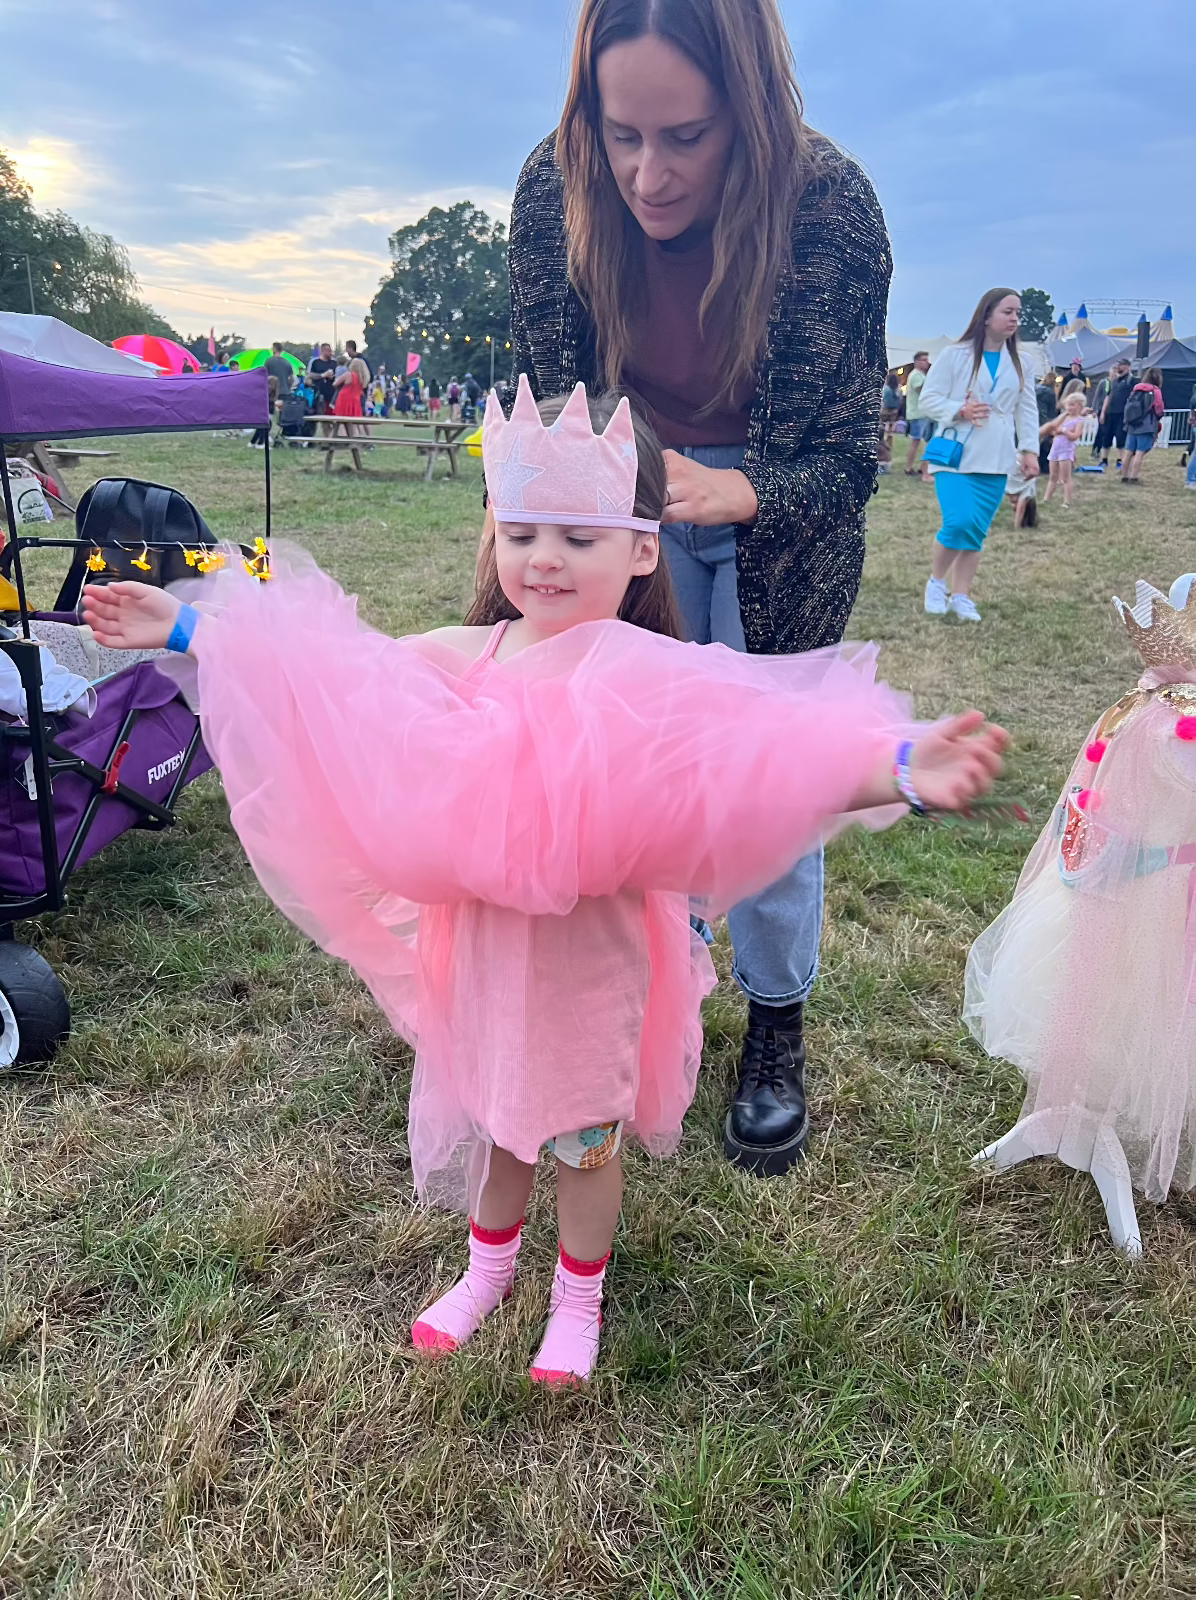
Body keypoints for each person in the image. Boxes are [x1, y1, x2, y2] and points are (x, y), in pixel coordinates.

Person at [80, 377, 1007, 1384]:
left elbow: (765, 744)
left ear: (641, 548)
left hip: (589, 964)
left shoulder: (653, 677)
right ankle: (486, 1271)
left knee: (581, 1140)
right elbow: (339, 676)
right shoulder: (464, 655)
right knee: (498, 1116)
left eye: (577, 536)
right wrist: (188, 629)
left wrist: (898, 768)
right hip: (484, 950)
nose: (545, 559)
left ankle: (578, 1295)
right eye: (521, 533)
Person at [506, 0, 893, 1176]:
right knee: (635, 766)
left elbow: (850, 453)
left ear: (753, 113)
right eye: (623, 134)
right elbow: (554, 406)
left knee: (767, 775)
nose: (648, 173)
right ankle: (648, 998)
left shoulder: (831, 209)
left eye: (686, 137)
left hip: (779, 519)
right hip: (632, 504)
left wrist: (750, 490)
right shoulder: (550, 192)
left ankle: (774, 1024)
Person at [965, 574, 1196, 1254]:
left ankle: (1084, 1117)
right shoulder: (1173, 722)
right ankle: (1072, 1118)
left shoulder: (1137, 703)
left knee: (1107, 1003)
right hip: (1142, 904)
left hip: (1112, 895)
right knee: (1122, 1006)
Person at [918, 288, 1040, 622]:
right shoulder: (955, 355)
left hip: (997, 457)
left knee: (975, 531)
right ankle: (936, 582)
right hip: (956, 455)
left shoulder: (1023, 362)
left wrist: (1029, 450)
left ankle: (961, 596)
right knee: (960, 521)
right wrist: (960, 408)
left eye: (1018, 313)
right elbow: (929, 399)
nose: (1015, 318)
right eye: (1008, 312)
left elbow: (1026, 409)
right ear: (986, 315)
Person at [1121, 366, 1165, 485]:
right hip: (1146, 424)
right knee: (1140, 452)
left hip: (1132, 424)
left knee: (1128, 451)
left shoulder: (1137, 389)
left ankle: (1124, 476)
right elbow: (1159, 408)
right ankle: (1134, 478)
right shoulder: (1155, 390)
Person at [1042, 390, 1086, 509]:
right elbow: (1053, 429)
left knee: (1066, 477)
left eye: (1073, 405)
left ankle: (1066, 501)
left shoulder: (1079, 421)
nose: (1070, 407)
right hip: (1055, 449)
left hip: (1066, 451)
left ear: (1080, 406)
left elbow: (1075, 436)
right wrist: (1058, 428)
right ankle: (1046, 498)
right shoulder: (1063, 418)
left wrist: (1064, 431)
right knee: (1053, 476)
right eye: (1068, 405)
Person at [1097, 359, 1132, 472]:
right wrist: (1103, 412)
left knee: (1120, 438)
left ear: (1127, 367)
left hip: (1122, 414)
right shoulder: (1114, 381)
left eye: (1120, 365)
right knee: (1106, 437)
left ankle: (1120, 460)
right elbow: (1108, 396)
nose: (1118, 367)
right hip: (1109, 413)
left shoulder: (1131, 381)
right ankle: (1104, 459)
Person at [904, 351, 933, 476]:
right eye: (923, 360)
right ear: (916, 361)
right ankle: (911, 467)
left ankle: (914, 467)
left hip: (920, 413)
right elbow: (924, 392)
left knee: (918, 442)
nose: (926, 362)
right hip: (918, 414)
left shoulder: (920, 375)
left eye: (927, 359)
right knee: (919, 442)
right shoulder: (916, 375)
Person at [1035, 370, 1058, 479]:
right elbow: (1051, 411)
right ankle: (1044, 467)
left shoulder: (1035, 389)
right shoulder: (1050, 393)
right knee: (1045, 446)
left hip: (1034, 420)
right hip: (1045, 420)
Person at [879, 369, 901, 472]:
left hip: (885, 410)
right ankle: (889, 445)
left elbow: (885, 400)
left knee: (882, 428)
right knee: (891, 431)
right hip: (894, 411)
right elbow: (899, 400)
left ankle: (882, 441)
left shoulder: (886, 389)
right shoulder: (897, 389)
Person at [309, 342, 337, 414]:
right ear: (323, 351)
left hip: (332, 395)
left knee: (333, 418)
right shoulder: (315, 362)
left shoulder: (334, 363)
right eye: (328, 351)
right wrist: (323, 375)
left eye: (331, 350)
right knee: (322, 418)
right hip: (319, 394)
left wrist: (333, 376)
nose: (330, 352)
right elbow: (310, 375)